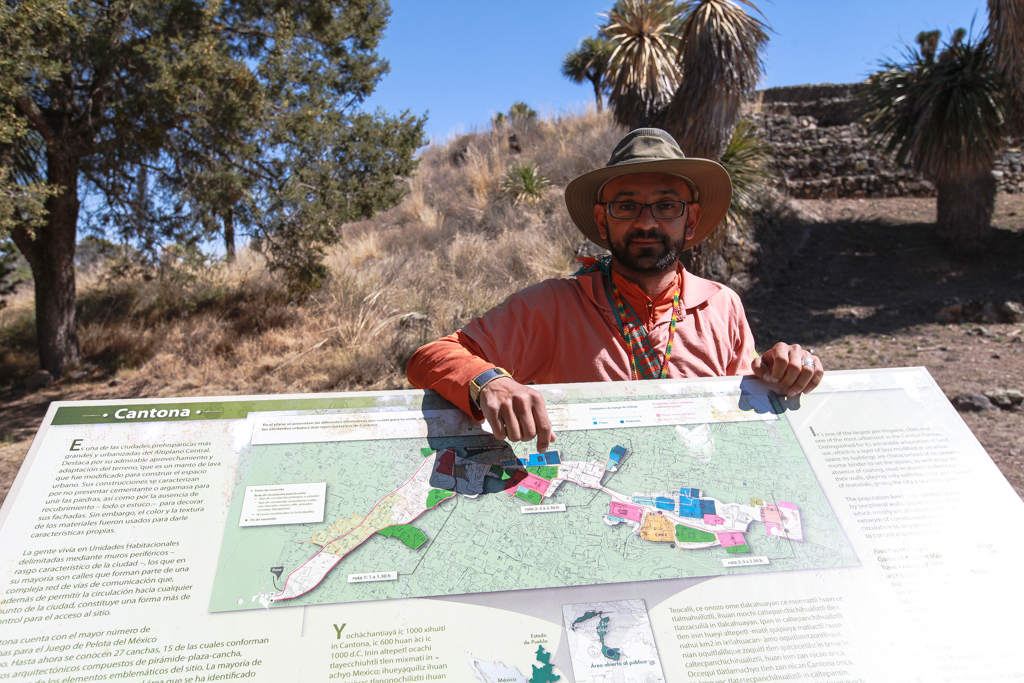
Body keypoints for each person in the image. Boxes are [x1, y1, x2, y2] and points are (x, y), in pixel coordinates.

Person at [407, 127, 823, 452]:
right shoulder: (554, 305)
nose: (646, 222)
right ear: (603, 221)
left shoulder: (722, 305)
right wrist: (488, 381)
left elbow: (744, 404)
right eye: (626, 206)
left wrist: (784, 370)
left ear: (690, 220)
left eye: (666, 205)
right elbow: (431, 356)